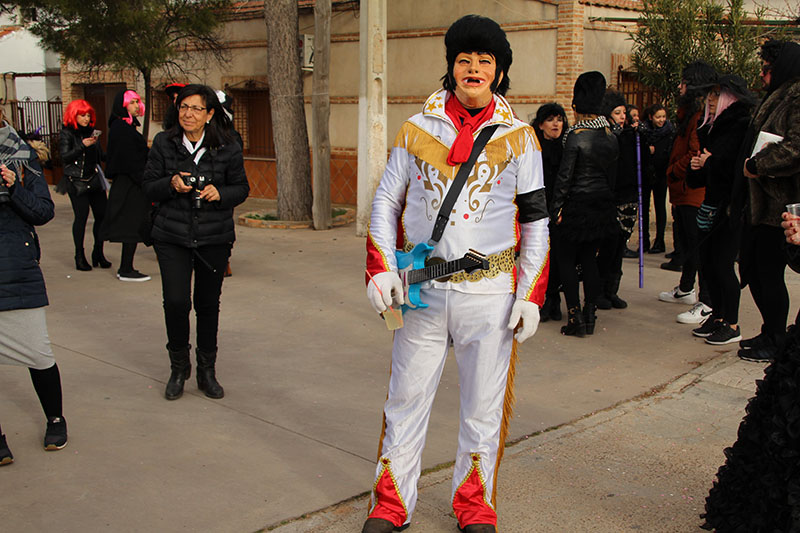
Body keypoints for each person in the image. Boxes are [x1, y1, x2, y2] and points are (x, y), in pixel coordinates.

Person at [363, 15, 549, 533]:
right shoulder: (415, 129)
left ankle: (474, 505)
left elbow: (536, 222)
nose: (473, 69)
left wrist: (530, 294)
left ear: (499, 72)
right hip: (421, 292)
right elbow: (385, 202)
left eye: (484, 61)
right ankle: (390, 502)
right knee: (405, 398)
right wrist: (381, 268)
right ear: (451, 66)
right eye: (464, 59)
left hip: (489, 294)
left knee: (482, 407)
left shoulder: (521, 139)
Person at [142, 84, 249, 401]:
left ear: (210, 114)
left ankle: (206, 371)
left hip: (214, 236)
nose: (188, 114)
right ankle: (179, 368)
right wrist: (171, 183)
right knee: (176, 302)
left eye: (196, 108)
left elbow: (241, 188)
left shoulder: (228, 146)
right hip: (171, 235)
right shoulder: (164, 142)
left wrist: (221, 193)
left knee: (207, 304)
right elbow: (148, 186)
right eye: (183, 107)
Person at [0, 119, 67, 465]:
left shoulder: (22, 156)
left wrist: (13, 187)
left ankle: (55, 418)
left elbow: (43, 211)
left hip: (14, 268)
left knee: (38, 353)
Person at [736, 39, 800, 362]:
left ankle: (776, 339)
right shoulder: (777, 96)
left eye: (766, 69)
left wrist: (758, 164)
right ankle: (769, 330)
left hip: (780, 206)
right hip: (759, 203)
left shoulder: (796, 98)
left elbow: (795, 149)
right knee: (756, 271)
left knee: (770, 274)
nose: (761, 75)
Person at [686, 74, 755, 345]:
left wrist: (710, 163)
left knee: (723, 265)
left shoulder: (740, 126)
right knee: (708, 264)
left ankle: (732, 323)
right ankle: (717, 315)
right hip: (710, 204)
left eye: (716, 94)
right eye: (710, 94)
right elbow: (707, 172)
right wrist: (698, 168)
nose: (710, 100)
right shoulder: (711, 128)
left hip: (730, 208)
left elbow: (736, 171)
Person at [550, 72, 618, 336]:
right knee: (590, 259)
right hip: (601, 205)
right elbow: (611, 175)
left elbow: (565, 176)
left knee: (567, 260)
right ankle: (590, 315)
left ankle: (575, 318)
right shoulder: (610, 134)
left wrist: (556, 209)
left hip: (575, 204)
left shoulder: (575, 135)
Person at [660, 61, 717, 324]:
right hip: (684, 192)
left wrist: (674, 170)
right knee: (687, 244)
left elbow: (696, 153)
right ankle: (685, 289)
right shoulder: (689, 115)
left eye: (684, 82)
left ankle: (707, 302)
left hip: (694, 192)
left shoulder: (699, 117)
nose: (679, 87)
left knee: (699, 247)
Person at [596, 90, 640, 310]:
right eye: (617, 113)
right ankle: (599, 292)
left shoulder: (631, 137)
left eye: (624, 113)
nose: (622, 117)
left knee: (620, 246)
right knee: (607, 248)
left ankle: (612, 290)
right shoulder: (603, 137)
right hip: (609, 199)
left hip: (628, 198)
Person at [102, 89, 151, 281]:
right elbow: (129, 159)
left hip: (131, 182)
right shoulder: (121, 129)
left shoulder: (125, 127)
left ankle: (126, 267)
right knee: (130, 225)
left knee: (133, 224)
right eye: (132, 102)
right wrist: (143, 181)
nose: (136, 106)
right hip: (129, 183)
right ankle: (125, 269)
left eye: (137, 102)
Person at [57, 99, 111, 271]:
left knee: (102, 215)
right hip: (76, 181)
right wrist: (82, 145)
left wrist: (117, 154)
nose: (86, 119)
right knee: (81, 217)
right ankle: (79, 256)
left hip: (93, 178)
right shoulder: (67, 133)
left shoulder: (92, 133)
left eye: (88, 115)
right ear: (74, 116)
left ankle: (98, 252)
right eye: (82, 115)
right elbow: (64, 157)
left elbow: (100, 156)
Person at [532, 102, 568, 322]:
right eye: (550, 120)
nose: (556, 124)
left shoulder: (567, 147)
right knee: (540, 257)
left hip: (560, 211)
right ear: (541, 124)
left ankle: (554, 300)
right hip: (538, 210)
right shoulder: (534, 149)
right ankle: (542, 300)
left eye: (559, 119)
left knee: (557, 258)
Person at [640, 103, 674, 254]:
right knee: (644, 208)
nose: (661, 120)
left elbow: (668, 153)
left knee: (660, 207)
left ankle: (659, 241)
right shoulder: (643, 131)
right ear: (650, 117)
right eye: (658, 117)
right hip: (646, 173)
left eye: (663, 117)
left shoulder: (669, 132)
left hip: (661, 173)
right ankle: (644, 240)